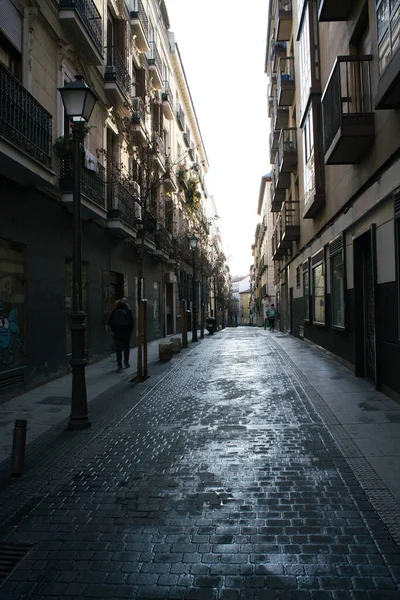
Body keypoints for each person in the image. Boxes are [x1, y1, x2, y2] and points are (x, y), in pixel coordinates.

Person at [109, 298, 134, 372]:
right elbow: (132, 323)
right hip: (126, 333)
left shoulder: (114, 311)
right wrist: (129, 331)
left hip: (117, 333)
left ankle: (119, 365)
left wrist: (114, 331)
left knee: (118, 350)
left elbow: (110, 322)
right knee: (126, 348)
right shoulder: (128, 311)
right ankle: (126, 362)